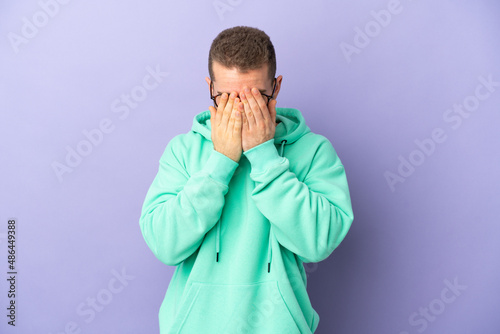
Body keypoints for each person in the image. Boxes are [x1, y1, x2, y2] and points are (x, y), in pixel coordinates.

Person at [139, 25, 354, 334]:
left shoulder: (313, 151)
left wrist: (266, 158)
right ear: (210, 86)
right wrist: (220, 164)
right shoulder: (183, 150)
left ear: (276, 88)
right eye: (225, 97)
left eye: (254, 97)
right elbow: (164, 244)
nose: (238, 110)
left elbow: (318, 243)